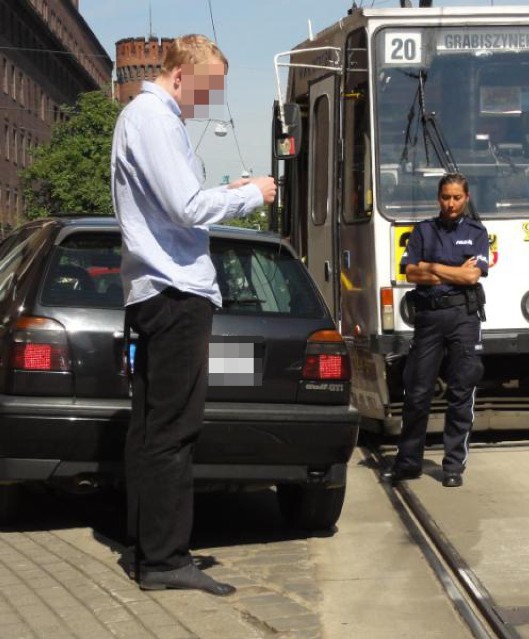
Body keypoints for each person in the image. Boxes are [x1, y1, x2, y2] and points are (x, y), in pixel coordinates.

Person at [110, 34, 276, 596]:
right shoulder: (153, 119)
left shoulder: (147, 118)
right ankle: (164, 558)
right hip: (174, 292)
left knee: (153, 428)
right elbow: (186, 208)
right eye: (210, 87)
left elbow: (177, 202)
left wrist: (224, 191)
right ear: (181, 74)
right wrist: (250, 194)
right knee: (174, 429)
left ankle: (147, 547)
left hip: (159, 291)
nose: (211, 100)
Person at [383, 173, 489, 488]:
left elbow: (472, 278)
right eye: (446, 197)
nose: (451, 203)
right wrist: (451, 270)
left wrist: (433, 267)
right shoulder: (423, 231)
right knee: (417, 392)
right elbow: (410, 271)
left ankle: (453, 465)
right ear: (438, 198)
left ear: (466, 198)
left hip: (463, 317)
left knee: (461, 391)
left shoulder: (477, 232)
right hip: (428, 318)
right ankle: (408, 462)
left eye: (457, 197)